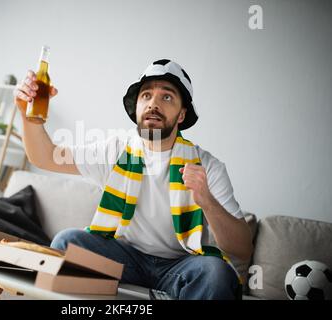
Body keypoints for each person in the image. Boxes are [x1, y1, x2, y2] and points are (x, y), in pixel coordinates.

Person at [14, 59, 253, 300]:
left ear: (182, 115)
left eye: (166, 97)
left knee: (216, 272)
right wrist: (28, 116)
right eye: (146, 96)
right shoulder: (115, 151)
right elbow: (45, 157)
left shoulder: (208, 167)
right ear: (136, 107)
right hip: (123, 259)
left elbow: (242, 249)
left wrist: (206, 200)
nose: (153, 104)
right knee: (68, 242)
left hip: (180, 267)